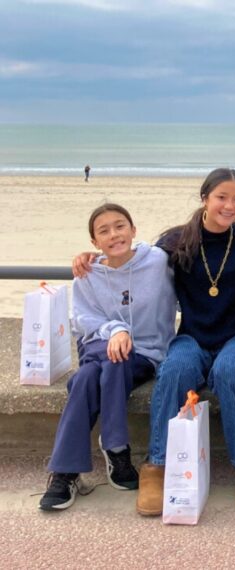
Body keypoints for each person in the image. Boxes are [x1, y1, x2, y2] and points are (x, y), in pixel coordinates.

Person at [135, 168, 235, 514]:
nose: (230, 205)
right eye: (222, 197)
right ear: (205, 198)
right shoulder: (176, 241)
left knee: (229, 372)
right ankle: (158, 466)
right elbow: (131, 260)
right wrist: (93, 259)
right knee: (175, 369)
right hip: (192, 335)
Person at [40, 204, 176, 511]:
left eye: (120, 226)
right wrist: (115, 330)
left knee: (85, 379)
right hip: (99, 348)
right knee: (109, 358)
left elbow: (194, 245)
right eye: (104, 231)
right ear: (93, 243)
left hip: (145, 353)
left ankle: (65, 471)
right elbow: (83, 320)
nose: (114, 234)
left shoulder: (158, 261)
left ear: (133, 230)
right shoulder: (87, 274)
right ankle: (116, 450)